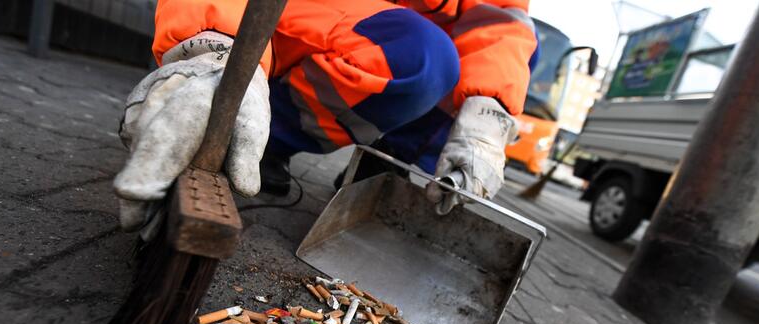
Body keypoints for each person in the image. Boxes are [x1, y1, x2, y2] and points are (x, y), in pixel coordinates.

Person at [113, 0, 538, 232]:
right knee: (419, 52)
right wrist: (214, 47)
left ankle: (391, 174)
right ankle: (268, 138)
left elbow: (498, 25)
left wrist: (487, 121)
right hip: (289, 20)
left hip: (394, 35)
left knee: (455, 64)